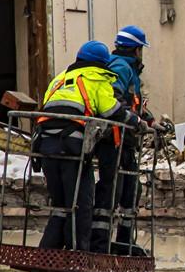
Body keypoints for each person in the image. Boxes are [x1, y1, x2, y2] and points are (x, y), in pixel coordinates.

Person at [33, 41, 138, 253]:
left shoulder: (60, 79)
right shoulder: (96, 78)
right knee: (81, 201)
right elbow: (111, 110)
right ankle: (79, 253)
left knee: (60, 203)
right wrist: (137, 122)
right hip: (71, 144)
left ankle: (48, 250)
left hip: (44, 145)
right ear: (102, 63)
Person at [93, 25, 153, 256]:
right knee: (112, 189)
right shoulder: (120, 66)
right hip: (114, 139)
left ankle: (124, 241)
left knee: (131, 189)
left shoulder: (128, 70)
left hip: (125, 140)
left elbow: (135, 103)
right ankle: (101, 243)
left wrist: (150, 120)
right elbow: (116, 101)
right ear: (137, 49)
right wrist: (135, 121)